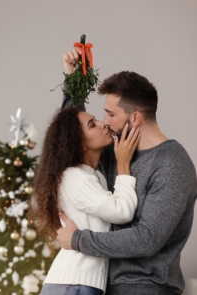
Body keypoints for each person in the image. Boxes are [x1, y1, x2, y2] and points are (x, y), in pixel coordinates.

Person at [57, 47, 197, 295]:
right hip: (104, 286)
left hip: (146, 288)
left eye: (110, 114)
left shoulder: (173, 164)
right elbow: (77, 134)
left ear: (134, 118)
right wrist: (73, 82)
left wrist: (79, 240)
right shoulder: (115, 151)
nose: (104, 122)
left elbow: (147, 239)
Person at [28, 106, 140, 295]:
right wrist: (123, 165)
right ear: (79, 143)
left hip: (75, 284)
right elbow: (122, 211)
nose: (103, 124)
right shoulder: (76, 178)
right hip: (74, 284)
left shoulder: (89, 177)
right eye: (92, 125)